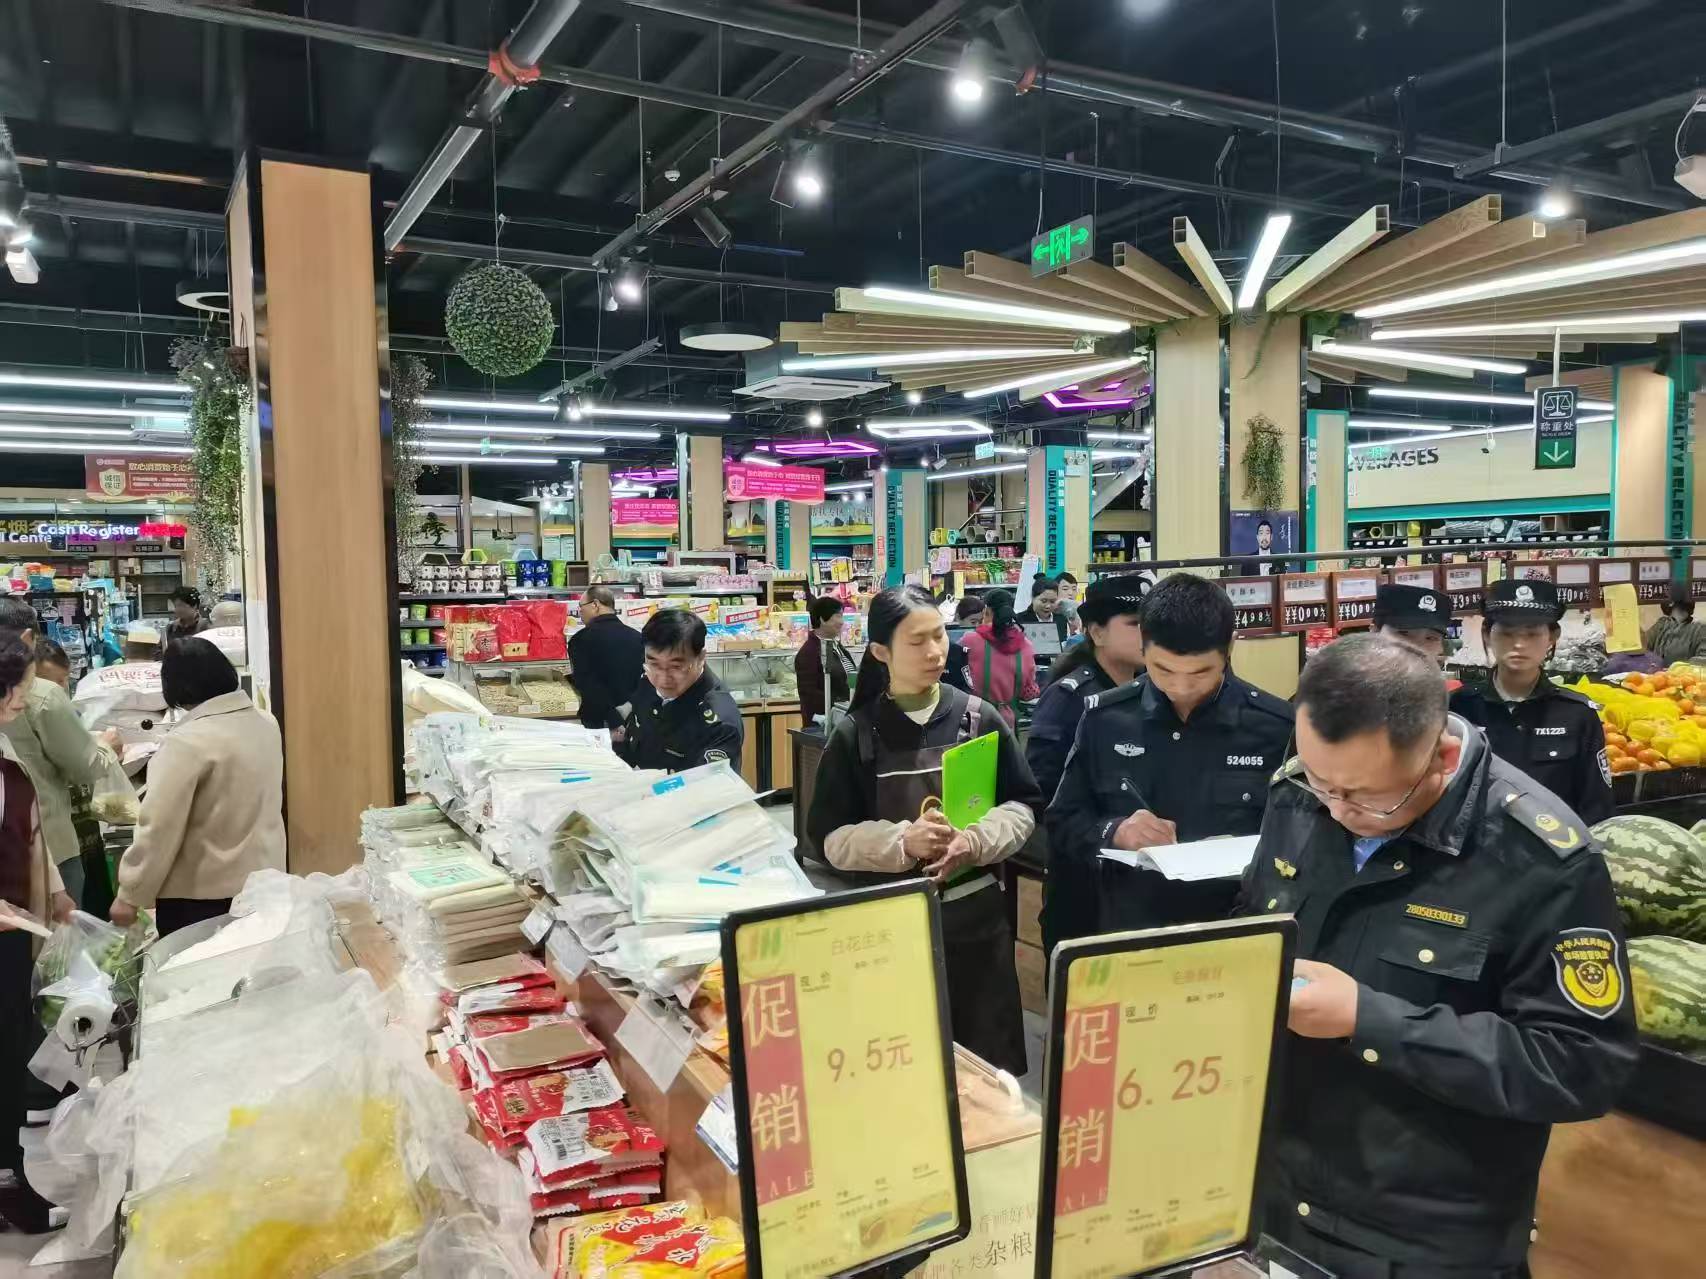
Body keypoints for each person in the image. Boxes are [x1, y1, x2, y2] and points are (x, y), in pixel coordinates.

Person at [1241, 634, 1637, 1277]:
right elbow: (1256, 926)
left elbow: (1580, 1066)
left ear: (1442, 757)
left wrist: (1368, 1019)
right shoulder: (1299, 798)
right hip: (1277, 1195)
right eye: (1320, 781)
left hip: (1424, 1235)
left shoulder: (1538, 858)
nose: (1337, 810)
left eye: (1366, 796)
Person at [806, 585, 1041, 1074]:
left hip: (977, 929)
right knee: (904, 1069)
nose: (936, 651)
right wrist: (902, 842)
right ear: (880, 651)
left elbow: (1023, 806)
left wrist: (975, 840)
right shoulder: (856, 735)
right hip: (888, 930)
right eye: (917, 641)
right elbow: (829, 840)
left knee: (984, 1075)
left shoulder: (978, 719)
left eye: (939, 636)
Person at [1047, 573, 1294, 932]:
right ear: (1143, 646)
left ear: (1230, 647)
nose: (1181, 687)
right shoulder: (1107, 719)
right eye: (1163, 670)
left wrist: (1257, 848)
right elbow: (1064, 819)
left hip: (1238, 924)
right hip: (1133, 925)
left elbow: (1305, 836)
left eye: (1201, 672)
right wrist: (1116, 831)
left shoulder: (1276, 726)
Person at [109, 638, 286, 936]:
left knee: (198, 966)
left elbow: (159, 827)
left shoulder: (187, 742)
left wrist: (130, 894)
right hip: (265, 885)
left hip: (201, 900)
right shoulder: (266, 724)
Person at [1026, 574, 1149, 955]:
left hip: (1141, 883)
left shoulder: (1151, 692)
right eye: (1134, 624)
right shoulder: (1069, 700)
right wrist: (1106, 831)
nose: (1147, 634)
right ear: (1097, 632)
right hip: (1083, 883)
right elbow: (1043, 794)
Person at [1450, 578, 1613, 825]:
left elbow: (1597, 808)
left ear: (1553, 636)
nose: (1519, 644)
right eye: (1507, 633)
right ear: (1486, 634)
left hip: (1555, 846)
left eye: (1532, 633)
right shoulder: (1459, 709)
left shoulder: (1577, 715)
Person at [0, 602, 120, 907]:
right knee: (54, 935)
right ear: (27, 638)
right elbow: (85, 766)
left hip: (27, 855)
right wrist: (105, 746)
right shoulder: (41, 694)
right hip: (47, 847)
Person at [33, 641, 116, 920]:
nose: (60, 689)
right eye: (52, 682)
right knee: (69, 923)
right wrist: (105, 749)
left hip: (70, 831)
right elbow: (84, 766)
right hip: (57, 839)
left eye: (63, 681)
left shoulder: (63, 710)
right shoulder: (42, 702)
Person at [620, 609, 744, 772]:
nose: (663, 678)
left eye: (676, 667)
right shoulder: (647, 682)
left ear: (701, 658)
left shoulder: (720, 724)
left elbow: (709, 785)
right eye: (654, 664)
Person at [958, 588, 1040, 727]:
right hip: (1007, 722)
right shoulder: (1026, 645)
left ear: (986, 611)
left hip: (974, 718)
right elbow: (1027, 693)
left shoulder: (969, 640)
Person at [566, 585, 644, 733]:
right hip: (632, 720)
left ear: (595, 605)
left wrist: (614, 721)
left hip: (598, 722)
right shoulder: (637, 637)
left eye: (581, 606)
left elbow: (588, 685)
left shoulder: (580, 640)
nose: (580, 611)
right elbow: (643, 679)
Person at [796, 596, 856, 727]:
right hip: (825, 724)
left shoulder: (836, 646)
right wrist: (839, 707)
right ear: (823, 619)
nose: (842, 622)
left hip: (844, 719)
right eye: (838, 616)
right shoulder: (809, 653)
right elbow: (809, 694)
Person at [1642, 588, 1706, 664]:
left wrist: (1679, 667)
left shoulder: (1700, 629)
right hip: (1656, 671)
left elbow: (1702, 660)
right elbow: (1642, 645)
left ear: (1671, 602)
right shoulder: (1661, 624)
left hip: (1683, 671)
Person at [943, 595, 986, 692]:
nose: (977, 626)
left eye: (980, 622)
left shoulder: (982, 639)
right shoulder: (948, 638)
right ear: (958, 617)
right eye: (973, 622)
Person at [1016, 575, 1070, 648]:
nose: (1048, 606)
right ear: (1033, 597)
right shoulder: (1020, 620)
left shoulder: (1061, 620)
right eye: (1044, 601)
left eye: (1052, 601)